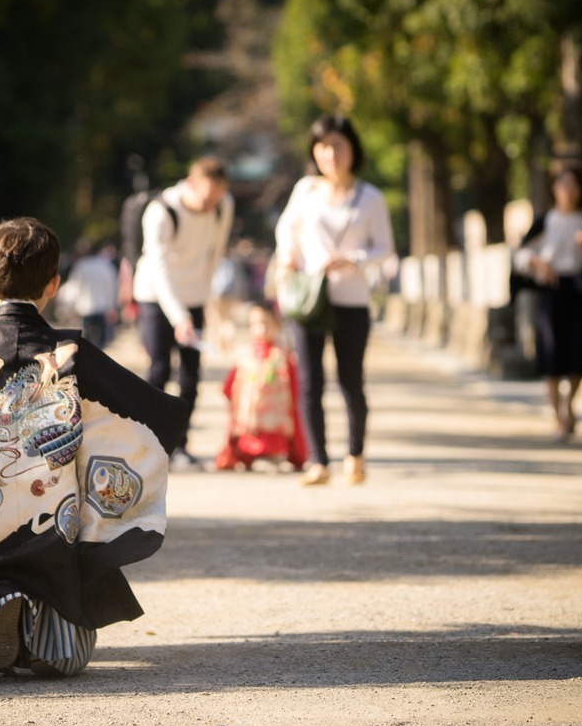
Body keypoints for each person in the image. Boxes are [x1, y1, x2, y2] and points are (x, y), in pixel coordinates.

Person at [0, 216, 186, 677]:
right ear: (54, 284)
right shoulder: (71, 352)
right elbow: (140, 410)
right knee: (71, 655)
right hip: (54, 539)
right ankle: (54, 641)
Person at [273, 114, 397, 486]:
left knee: (350, 380)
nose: (330, 154)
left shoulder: (370, 197)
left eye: (338, 145)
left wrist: (353, 259)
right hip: (309, 298)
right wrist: (287, 259)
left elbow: (385, 248)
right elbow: (286, 230)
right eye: (323, 146)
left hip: (351, 298)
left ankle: (355, 455)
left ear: (352, 149)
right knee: (309, 381)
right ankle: (318, 461)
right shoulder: (305, 190)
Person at [131, 156, 234, 470]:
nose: (210, 205)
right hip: (154, 296)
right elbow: (159, 270)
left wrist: (209, 308)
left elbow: (214, 255)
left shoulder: (223, 205)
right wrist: (179, 317)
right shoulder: (161, 211)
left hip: (193, 298)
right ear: (190, 184)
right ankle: (147, 445)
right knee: (159, 370)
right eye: (205, 198)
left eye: (215, 198)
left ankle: (180, 445)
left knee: (191, 376)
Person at [513, 166, 582, 442]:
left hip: (579, 291)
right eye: (563, 183)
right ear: (554, 187)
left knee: (578, 354)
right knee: (551, 354)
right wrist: (538, 263)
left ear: (581, 189)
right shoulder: (545, 220)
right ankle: (559, 418)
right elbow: (521, 254)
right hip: (551, 292)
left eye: (574, 184)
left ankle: (569, 405)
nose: (568, 189)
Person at [214, 302, 307, 472]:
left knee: (273, 437)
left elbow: (294, 387)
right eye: (255, 325)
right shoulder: (245, 355)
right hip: (249, 416)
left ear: (276, 325)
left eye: (266, 324)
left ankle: (273, 453)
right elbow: (231, 383)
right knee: (248, 438)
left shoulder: (283, 356)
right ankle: (248, 453)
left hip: (276, 416)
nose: (260, 329)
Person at [57, 240, 119, 348]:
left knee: (88, 341)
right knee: (101, 342)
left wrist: (70, 305)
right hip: (103, 307)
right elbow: (112, 286)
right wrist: (112, 305)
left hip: (86, 307)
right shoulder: (106, 266)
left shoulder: (81, 266)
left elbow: (74, 287)